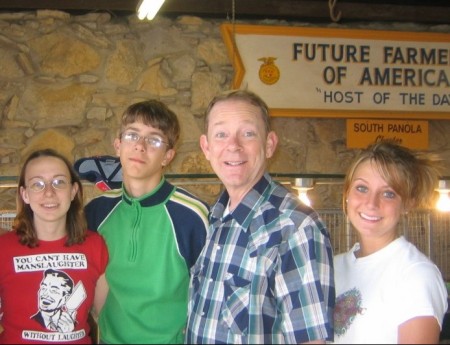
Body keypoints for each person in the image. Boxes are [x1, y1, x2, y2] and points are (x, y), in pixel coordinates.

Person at [186, 89, 335, 344]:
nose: (233, 145)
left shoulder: (295, 227)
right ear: (206, 147)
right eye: (221, 134)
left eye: (248, 133)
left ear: (269, 145)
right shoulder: (216, 218)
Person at [84, 99, 209, 344]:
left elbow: (208, 294)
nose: (140, 146)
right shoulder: (97, 211)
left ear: (168, 156)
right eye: (132, 136)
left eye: (154, 140)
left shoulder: (192, 215)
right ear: (118, 145)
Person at [333, 140, 448, 344]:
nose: (371, 203)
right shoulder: (332, 267)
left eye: (388, 193)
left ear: (407, 203)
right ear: (347, 194)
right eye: (361, 188)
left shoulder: (415, 274)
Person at [0, 148, 109, 344]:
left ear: (73, 191)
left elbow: (106, 315)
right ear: (24, 194)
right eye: (37, 184)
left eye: (59, 182)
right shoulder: (3, 248)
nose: (49, 192)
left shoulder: (95, 245)